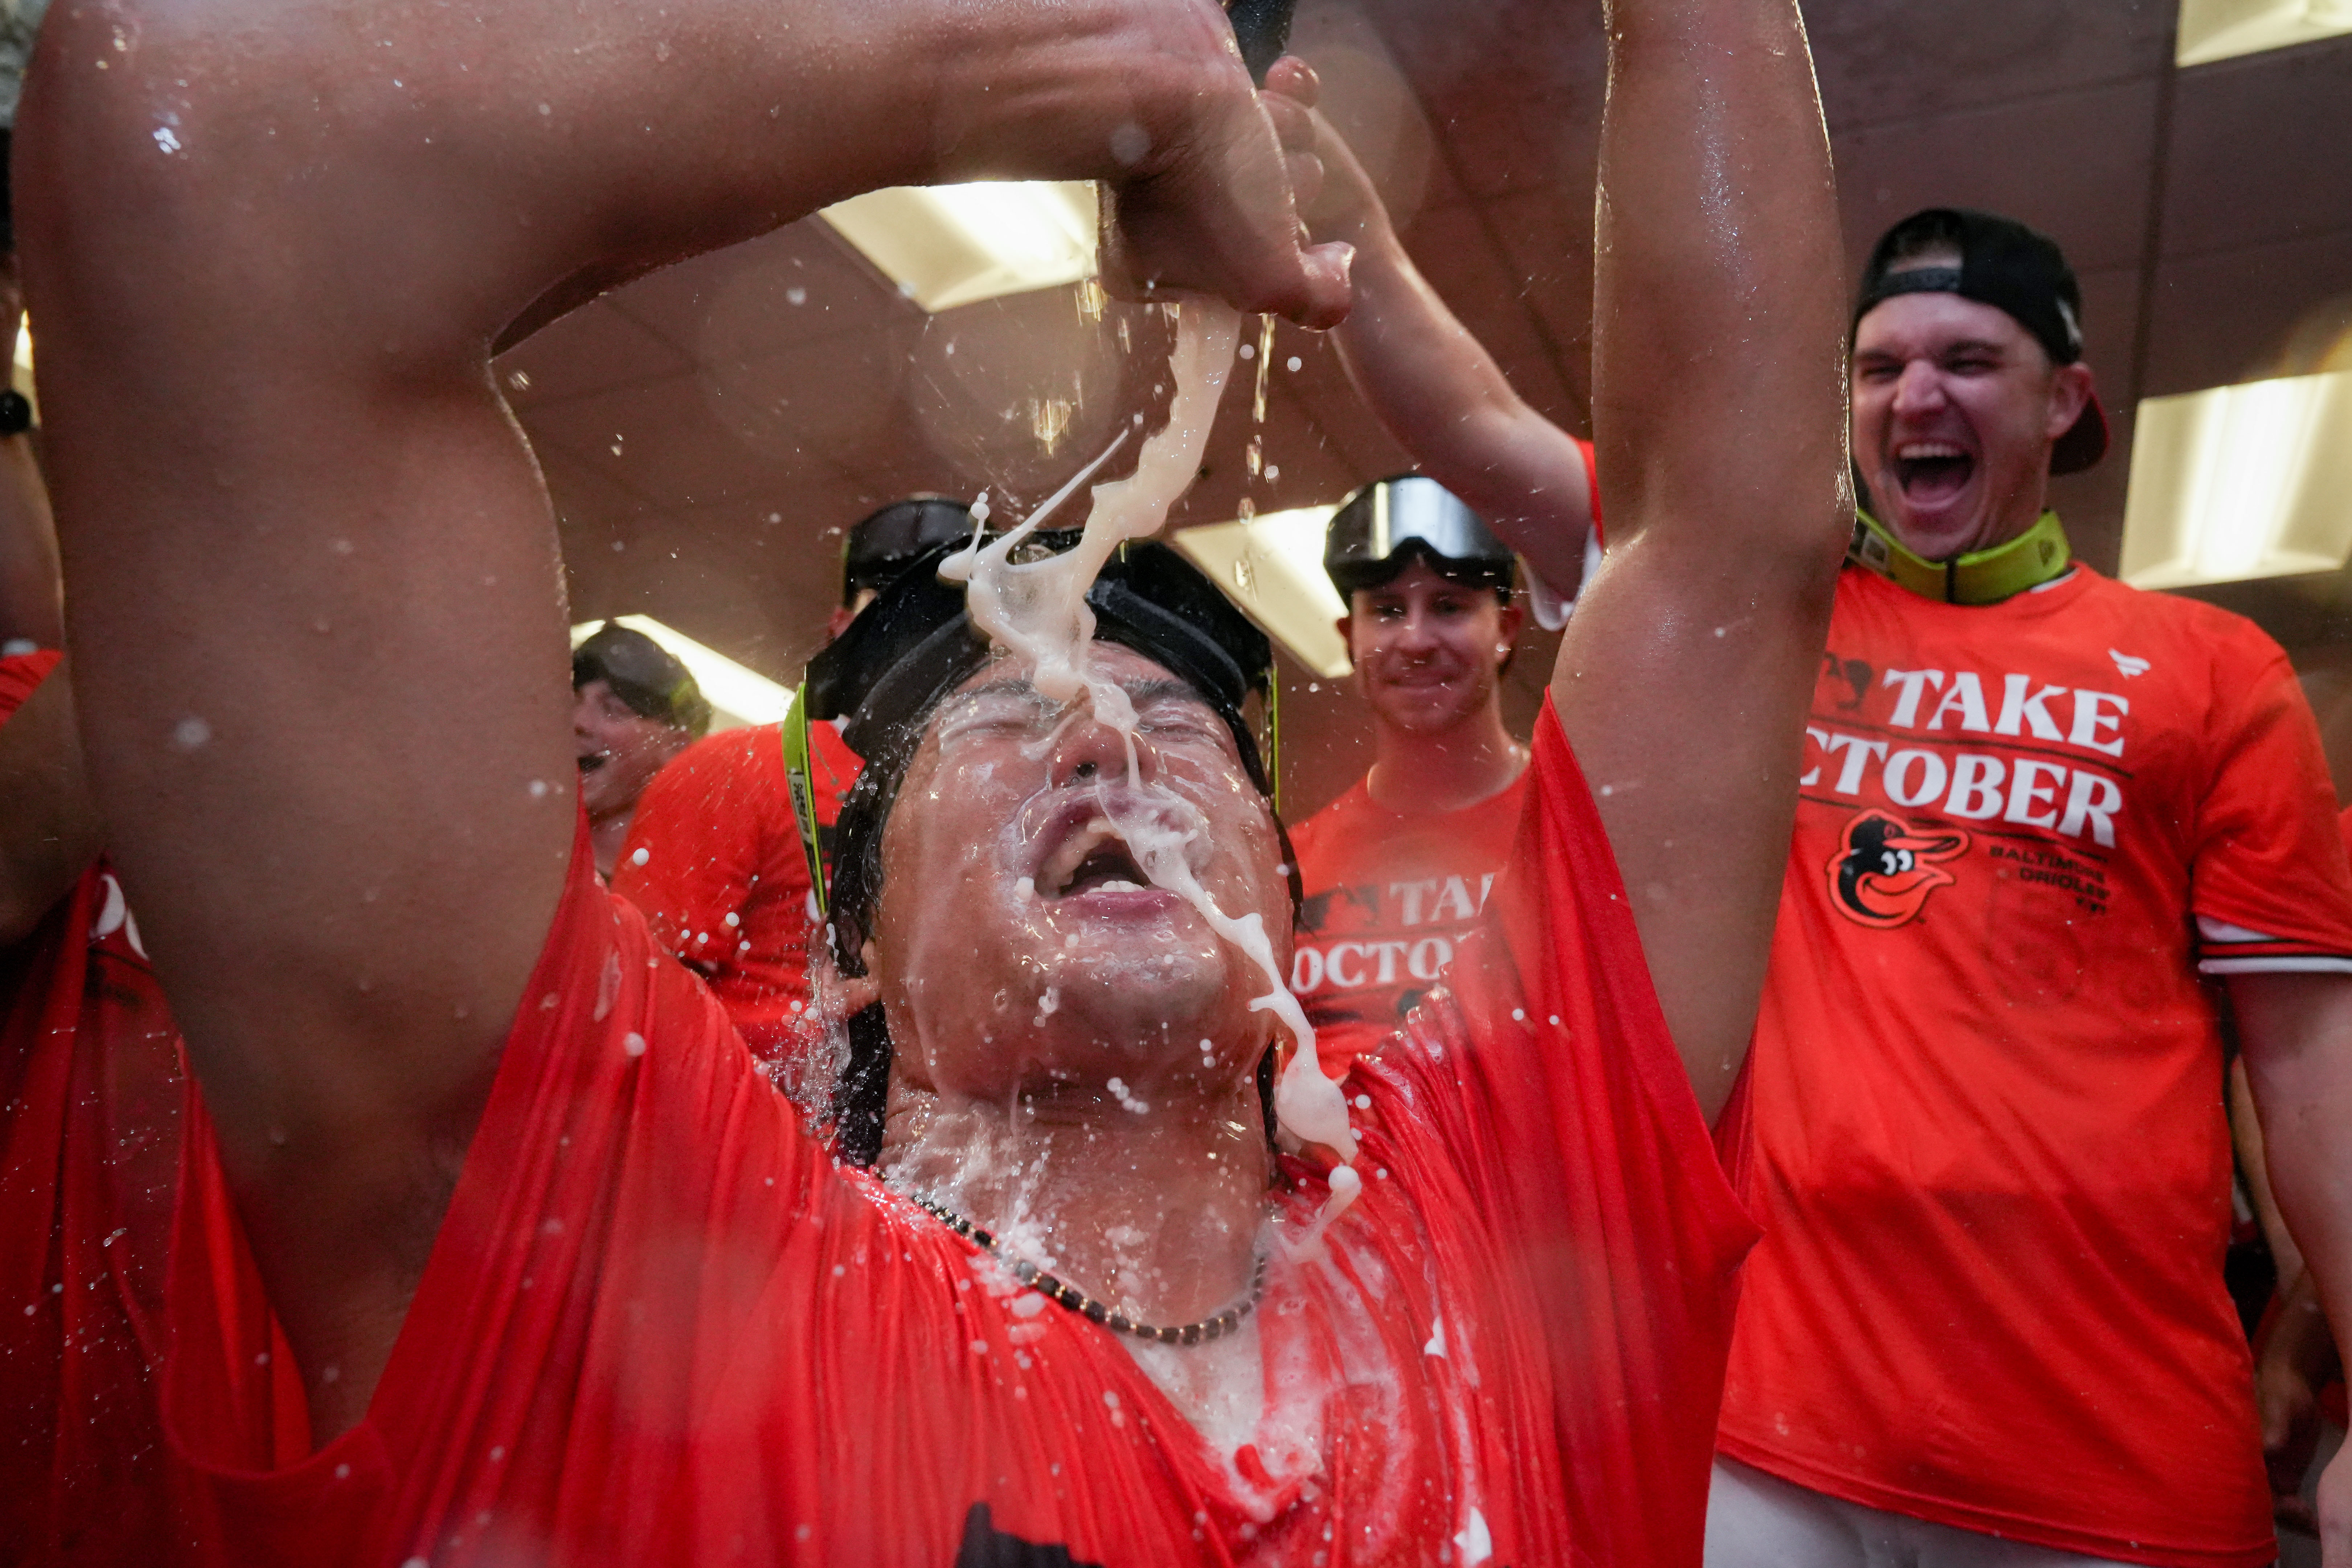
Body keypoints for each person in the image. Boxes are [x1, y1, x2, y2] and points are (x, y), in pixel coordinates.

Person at [21, 0, 1849, 1561]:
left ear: (1286, 920)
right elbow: (208, 152)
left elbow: (1732, 537)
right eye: (994, 724)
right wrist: (1069, 57)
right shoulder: (645, 1275)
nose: (1102, 733)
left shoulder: (1509, 1232)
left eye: (1189, 728)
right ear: (858, 963)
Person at [1702, 210, 2352, 1568]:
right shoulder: (1780, 616)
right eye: (1877, 369)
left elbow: (2311, 1073)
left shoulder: (2213, 668)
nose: (1915, 395)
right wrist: (1359, 248)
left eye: (1967, 359)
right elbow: (1504, 457)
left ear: (2064, 399)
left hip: (2111, 1464)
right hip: (1777, 1440)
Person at [611, 496, 970, 1063]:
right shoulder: (736, 768)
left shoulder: (1003, 795)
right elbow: (635, 1006)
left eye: (947, 613)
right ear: (840, 628)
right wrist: (806, 1034)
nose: (918, 633)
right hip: (768, 1131)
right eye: (890, 605)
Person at [1285, 477, 1537, 1074]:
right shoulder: (1289, 871)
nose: (1416, 639)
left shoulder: (1577, 836)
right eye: (1388, 611)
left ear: (1505, 629)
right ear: (1350, 639)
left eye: (1449, 606)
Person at [571, 620, 713, 877]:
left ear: (676, 749)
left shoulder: (672, 903)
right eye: (572, 700)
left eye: (613, 709)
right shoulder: (513, 852)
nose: (578, 721)